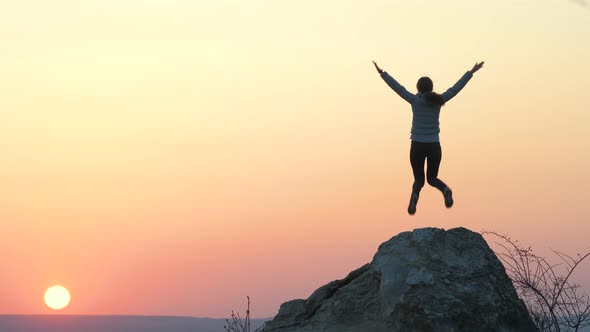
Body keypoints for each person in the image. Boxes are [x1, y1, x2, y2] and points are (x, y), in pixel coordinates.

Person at [373, 60, 484, 215]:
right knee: (432, 179)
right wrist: (471, 72)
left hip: (417, 146)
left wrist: (382, 73)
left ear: (418, 88)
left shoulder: (414, 100)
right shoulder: (439, 101)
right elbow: (456, 88)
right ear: (431, 88)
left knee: (419, 180)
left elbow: (398, 88)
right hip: (434, 146)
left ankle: (414, 196)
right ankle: (445, 189)